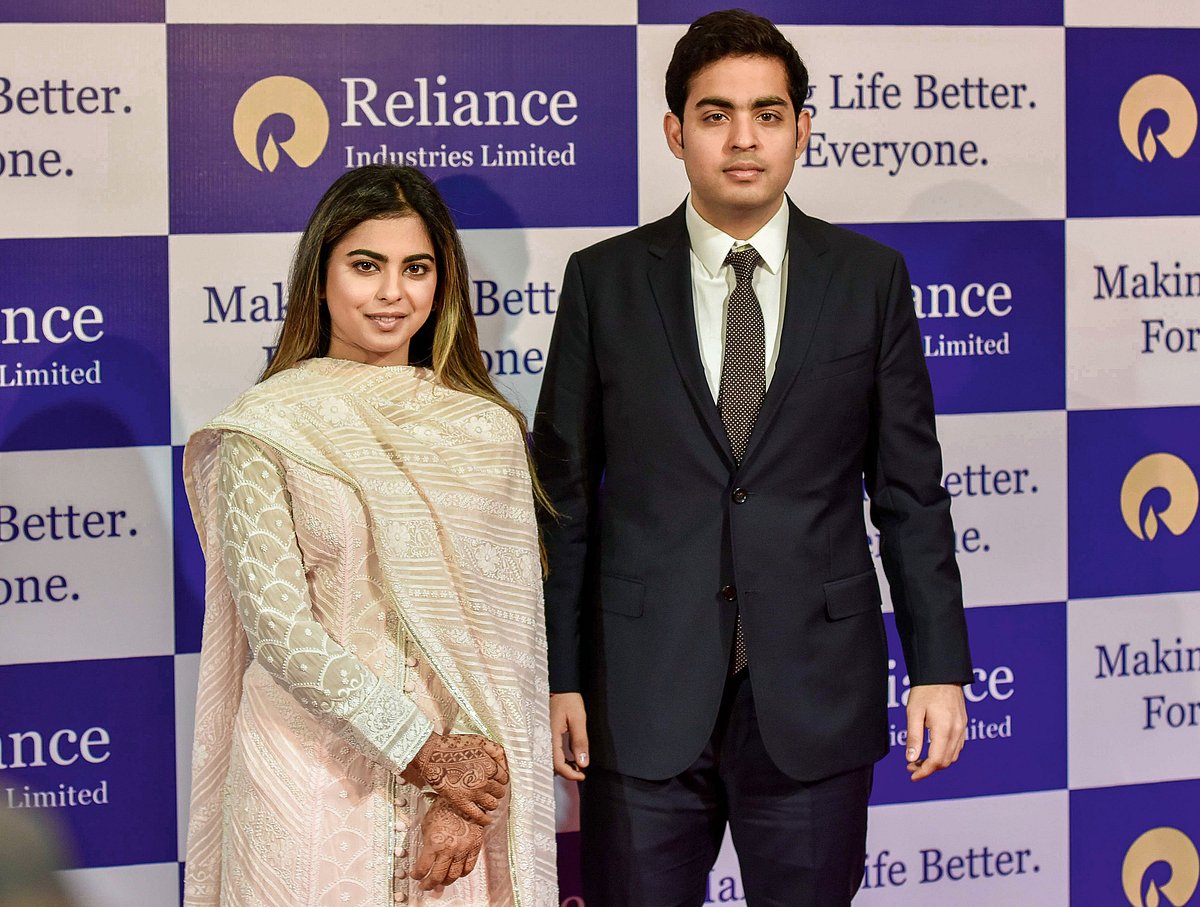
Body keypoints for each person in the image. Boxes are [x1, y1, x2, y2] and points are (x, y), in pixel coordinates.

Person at [533, 10, 973, 906]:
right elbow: (563, 501)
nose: (743, 138)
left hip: (814, 697)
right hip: (640, 695)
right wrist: (559, 677)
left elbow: (910, 494)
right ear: (674, 131)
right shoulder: (602, 281)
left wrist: (938, 666)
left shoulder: (869, 278)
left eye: (769, 114)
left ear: (803, 129)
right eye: (715, 113)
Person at [182, 165, 556, 907]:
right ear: (319, 277)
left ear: (441, 283)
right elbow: (282, 633)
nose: (392, 293)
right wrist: (426, 752)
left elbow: (505, 649)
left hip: (457, 799)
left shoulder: (485, 431)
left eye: (415, 268)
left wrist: (461, 791)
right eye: (365, 266)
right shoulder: (267, 426)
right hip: (304, 778)